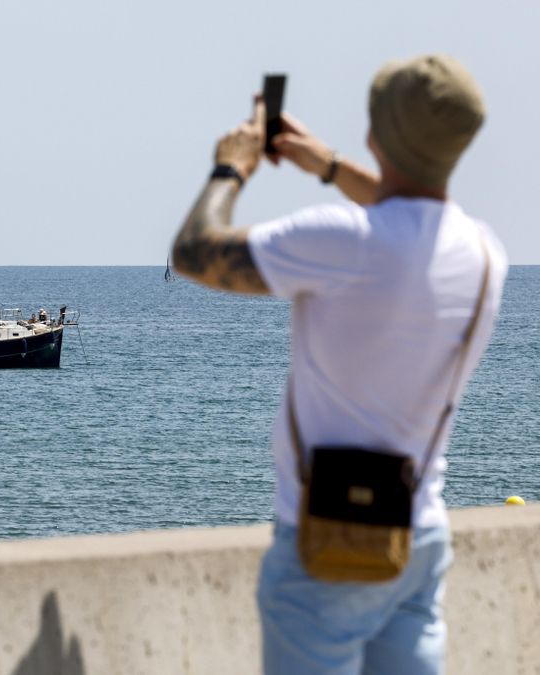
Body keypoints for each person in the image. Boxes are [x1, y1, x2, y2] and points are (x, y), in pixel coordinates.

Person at [171, 55, 507, 674]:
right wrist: (322, 164)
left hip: (324, 543)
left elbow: (194, 251)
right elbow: (411, 216)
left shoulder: (344, 241)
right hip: (419, 538)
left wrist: (232, 166)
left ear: (376, 136)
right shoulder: (487, 254)